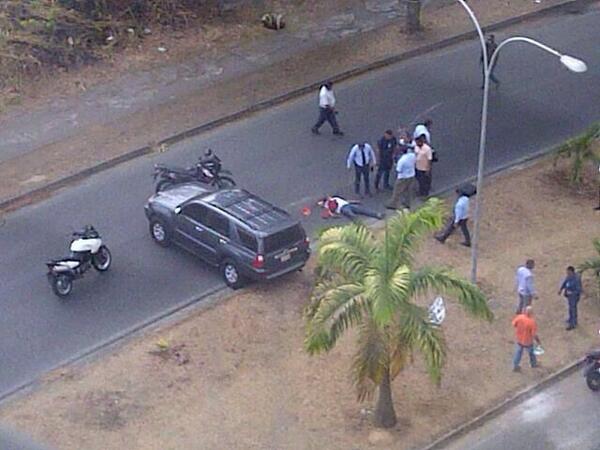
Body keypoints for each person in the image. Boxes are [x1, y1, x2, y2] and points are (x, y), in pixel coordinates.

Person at [512, 306, 541, 372]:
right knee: (531, 353)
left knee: (518, 353)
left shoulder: (519, 317)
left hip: (519, 339)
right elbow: (533, 334)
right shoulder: (531, 322)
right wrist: (538, 340)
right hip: (528, 341)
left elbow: (514, 324)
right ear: (531, 313)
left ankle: (515, 366)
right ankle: (533, 364)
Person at [386, 145, 415, 210]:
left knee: (397, 191)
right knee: (408, 191)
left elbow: (398, 170)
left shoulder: (402, 160)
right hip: (411, 175)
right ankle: (407, 203)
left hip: (402, 177)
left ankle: (393, 204)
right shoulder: (412, 156)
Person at [318, 195, 384, 221]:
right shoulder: (335, 198)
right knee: (363, 211)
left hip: (343, 209)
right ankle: (377, 215)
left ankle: (362, 227)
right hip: (348, 205)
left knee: (354, 217)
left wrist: (337, 216)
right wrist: (356, 201)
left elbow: (330, 214)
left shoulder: (327, 206)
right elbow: (346, 201)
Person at [558, 266, 582, 330]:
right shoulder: (569, 276)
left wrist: (572, 293)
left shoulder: (576, 279)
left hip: (574, 297)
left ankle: (573, 324)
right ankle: (570, 319)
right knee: (570, 308)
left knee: (573, 309)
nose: (567, 273)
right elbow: (565, 282)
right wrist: (561, 289)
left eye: (568, 272)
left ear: (572, 272)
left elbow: (578, 290)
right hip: (569, 296)